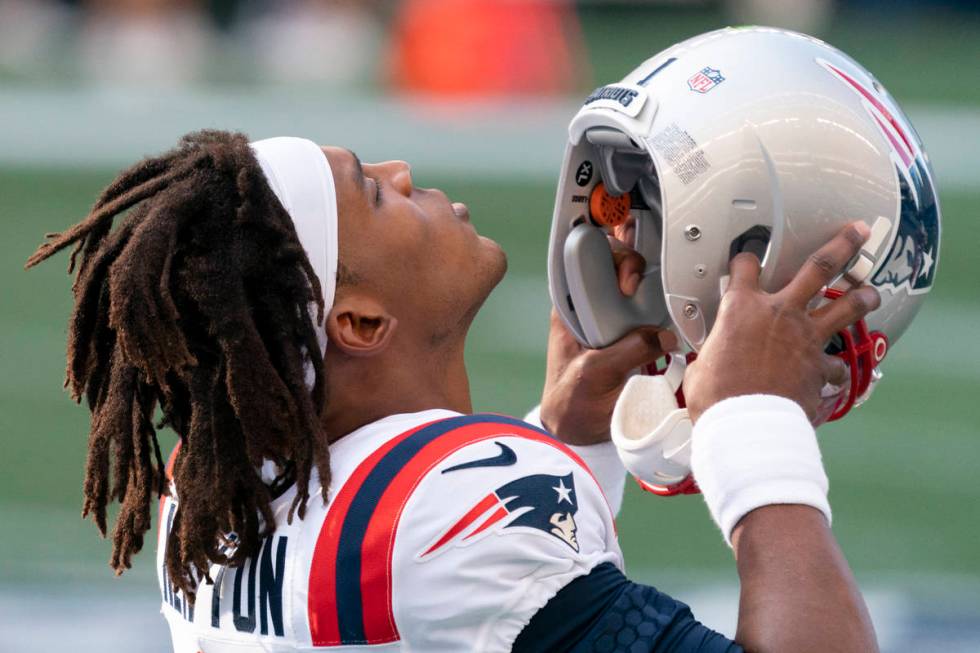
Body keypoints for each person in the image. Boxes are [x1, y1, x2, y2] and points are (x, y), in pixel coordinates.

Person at [27, 130, 880, 652]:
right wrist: (754, 420)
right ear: (358, 322)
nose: (401, 171)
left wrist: (567, 431)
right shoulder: (453, 516)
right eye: (370, 191)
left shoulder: (208, 498)